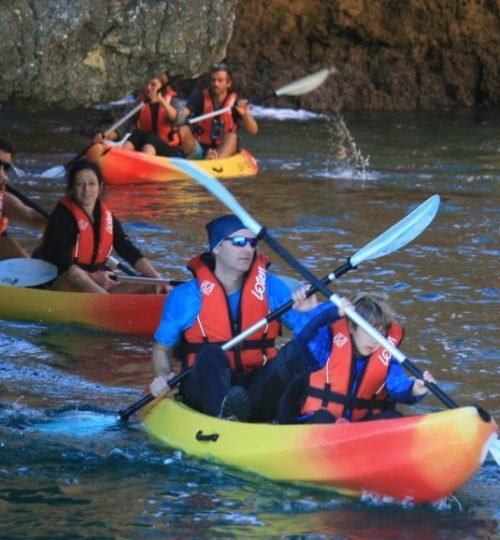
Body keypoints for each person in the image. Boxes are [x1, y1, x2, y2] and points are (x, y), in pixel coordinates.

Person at [149, 214, 307, 422]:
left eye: (252, 243)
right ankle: (226, 417)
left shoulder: (271, 287)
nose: (248, 249)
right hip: (204, 391)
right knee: (210, 354)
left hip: (256, 388)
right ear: (216, 248)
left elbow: (310, 333)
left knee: (299, 348)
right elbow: (161, 350)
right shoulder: (186, 297)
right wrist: (163, 377)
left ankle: (299, 411)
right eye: (240, 242)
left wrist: (311, 313)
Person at [278, 289, 436, 424]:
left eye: (380, 334)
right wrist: (329, 311)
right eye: (369, 331)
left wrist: (414, 390)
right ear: (352, 327)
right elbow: (304, 335)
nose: (375, 340)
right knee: (323, 418)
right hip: (318, 426)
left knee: (393, 417)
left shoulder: (386, 358)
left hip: (358, 430)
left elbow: (397, 385)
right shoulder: (324, 349)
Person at [39, 158, 168, 294]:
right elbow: (62, 265)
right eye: (80, 184)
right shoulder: (61, 217)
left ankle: (109, 305)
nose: (86, 190)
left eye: (91, 184)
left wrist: (157, 278)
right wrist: (94, 278)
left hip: (97, 288)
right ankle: (109, 308)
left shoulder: (107, 217)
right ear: (71, 188)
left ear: (100, 187)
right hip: (63, 285)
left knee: (150, 282)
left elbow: (129, 251)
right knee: (74, 273)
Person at [94, 72, 188, 157]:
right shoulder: (139, 104)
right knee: (137, 134)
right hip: (146, 147)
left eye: (153, 84)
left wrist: (161, 101)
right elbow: (122, 125)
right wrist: (104, 135)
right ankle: (121, 158)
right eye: (146, 83)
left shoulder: (173, 102)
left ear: (161, 87)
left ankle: (145, 163)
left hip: (169, 151)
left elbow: (179, 120)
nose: (148, 87)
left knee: (151, 136)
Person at [178, 63, 258, 160]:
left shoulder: (236, 103)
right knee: (183, 129)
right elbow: (183, 113)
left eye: (220, 80)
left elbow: (253, 130)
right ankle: (202, 158)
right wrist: (176, 115)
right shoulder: (200, 98)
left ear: (228, 83)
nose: (216, 84)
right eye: (213, 80)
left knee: (232, 137)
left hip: (223, 150)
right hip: (200, 150)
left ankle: (214, 160)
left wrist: (245, 115)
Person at [0, 138, 47, 260]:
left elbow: (30, 216)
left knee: (5, 243)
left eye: (5, 168)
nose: (3, 176)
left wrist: (65, 222)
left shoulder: (4, 199)